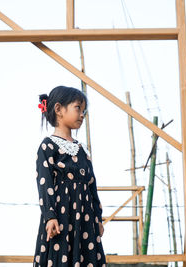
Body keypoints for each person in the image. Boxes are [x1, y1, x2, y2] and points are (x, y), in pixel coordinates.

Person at [33, 85, 106, 267]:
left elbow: (92, 186)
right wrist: (50, 216)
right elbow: (45, 184)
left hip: (85, 219)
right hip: (61, 218)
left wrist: (98, 218)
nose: (82, 114)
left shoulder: (82, 150)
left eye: (84, 110)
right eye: (78, 108)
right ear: (58, 109)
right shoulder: (48, 146)